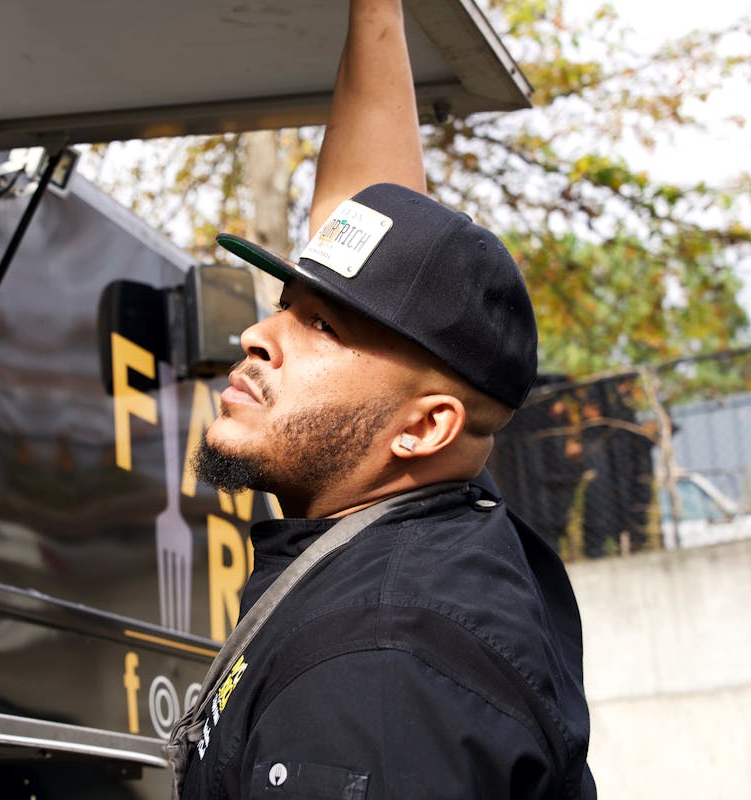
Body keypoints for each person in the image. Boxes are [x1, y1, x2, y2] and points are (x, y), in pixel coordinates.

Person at [168, 0, 597, 797]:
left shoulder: (378, 671)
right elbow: (370, 206)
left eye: (321, 326)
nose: (262, 335)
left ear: (424, 427)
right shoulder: (437, 504)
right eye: (285, 303)